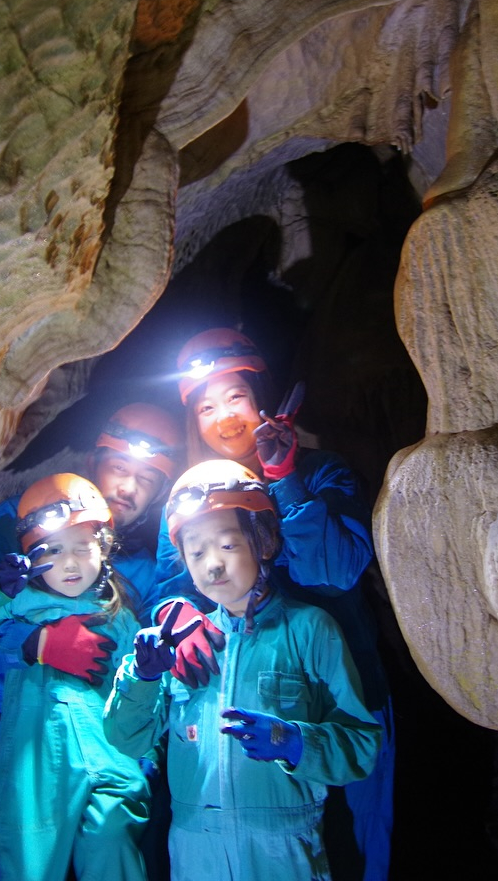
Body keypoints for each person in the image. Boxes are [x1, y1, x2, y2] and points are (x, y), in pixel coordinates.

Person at [155, 327, 395, 881]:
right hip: (243, 691)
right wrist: (176, 616)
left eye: (235, 396)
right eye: (207, 406)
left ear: (262, 396)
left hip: (343, 691)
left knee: (356, 851)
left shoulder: (323, 471)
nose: (225, 416)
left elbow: (336, 571)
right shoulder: (188, 495)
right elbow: (167, 587)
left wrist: (285, 479)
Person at [0, 403, 183, 881]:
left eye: (145, 479)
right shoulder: (18, 524)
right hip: (0, 733)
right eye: (119, 467)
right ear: (93, 461)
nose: (127, 487)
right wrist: (31, 642)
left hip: (101, 743)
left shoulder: (144, 569)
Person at [103, 460, 381, 881]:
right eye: (196, 552)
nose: (212, 565)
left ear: (265, 540)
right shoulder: (176, 642)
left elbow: (361, 744)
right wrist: (140, 679)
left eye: (228, 545)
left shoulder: (309, 630)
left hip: (284, 850)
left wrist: (295, 743)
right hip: (195, 851)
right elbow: (127, 737)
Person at [0, 473, 148, 881]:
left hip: (112, 755)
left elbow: (144, 694)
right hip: (38, 760)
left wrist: (147, 757)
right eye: (54, 550)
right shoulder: (18, 607)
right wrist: (24, 632)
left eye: (83, 547)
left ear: (104, 548)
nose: (71, 563)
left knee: (112, 844)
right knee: (31, 863)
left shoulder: (120, 617)